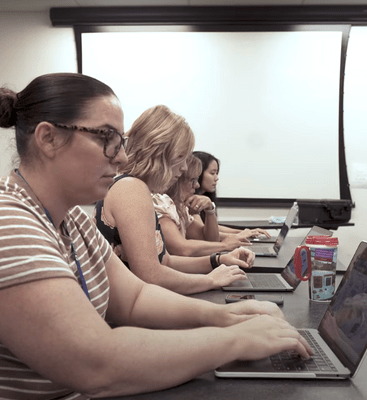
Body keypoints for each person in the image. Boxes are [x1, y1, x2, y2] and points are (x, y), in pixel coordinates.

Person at [0, 73, 313, 399]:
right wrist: (237, 339)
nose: (121, 156)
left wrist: (225, 316)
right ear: (48, 138)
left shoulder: (71, 218)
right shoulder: (9, 222)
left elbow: (134, 298)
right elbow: (97, 366)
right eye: (106, 137)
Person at [95, 105, 255, 294]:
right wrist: (210, 280)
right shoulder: (131, 188)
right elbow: (151, 276)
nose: (185, 168)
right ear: (160, 153)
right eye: (181, 157)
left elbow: (165, 261)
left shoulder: (135, 187)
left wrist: (218, 260)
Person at [153, 153, 253, 257]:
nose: (197, 185)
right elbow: (183, 249)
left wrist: (210, 210)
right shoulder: (161, 205)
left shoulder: (180, 208)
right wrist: (225, 245)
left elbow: (209, 239)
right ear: (177, 181)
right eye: (193, 180)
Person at [193, 150, 272, 239]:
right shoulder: (191, 202)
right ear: (197, 173)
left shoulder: (204, 199)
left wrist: (246, 232)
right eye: (212, 173)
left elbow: (213, 229)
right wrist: (240, 235)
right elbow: (204, 234)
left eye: (217, 173)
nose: (216, 178)